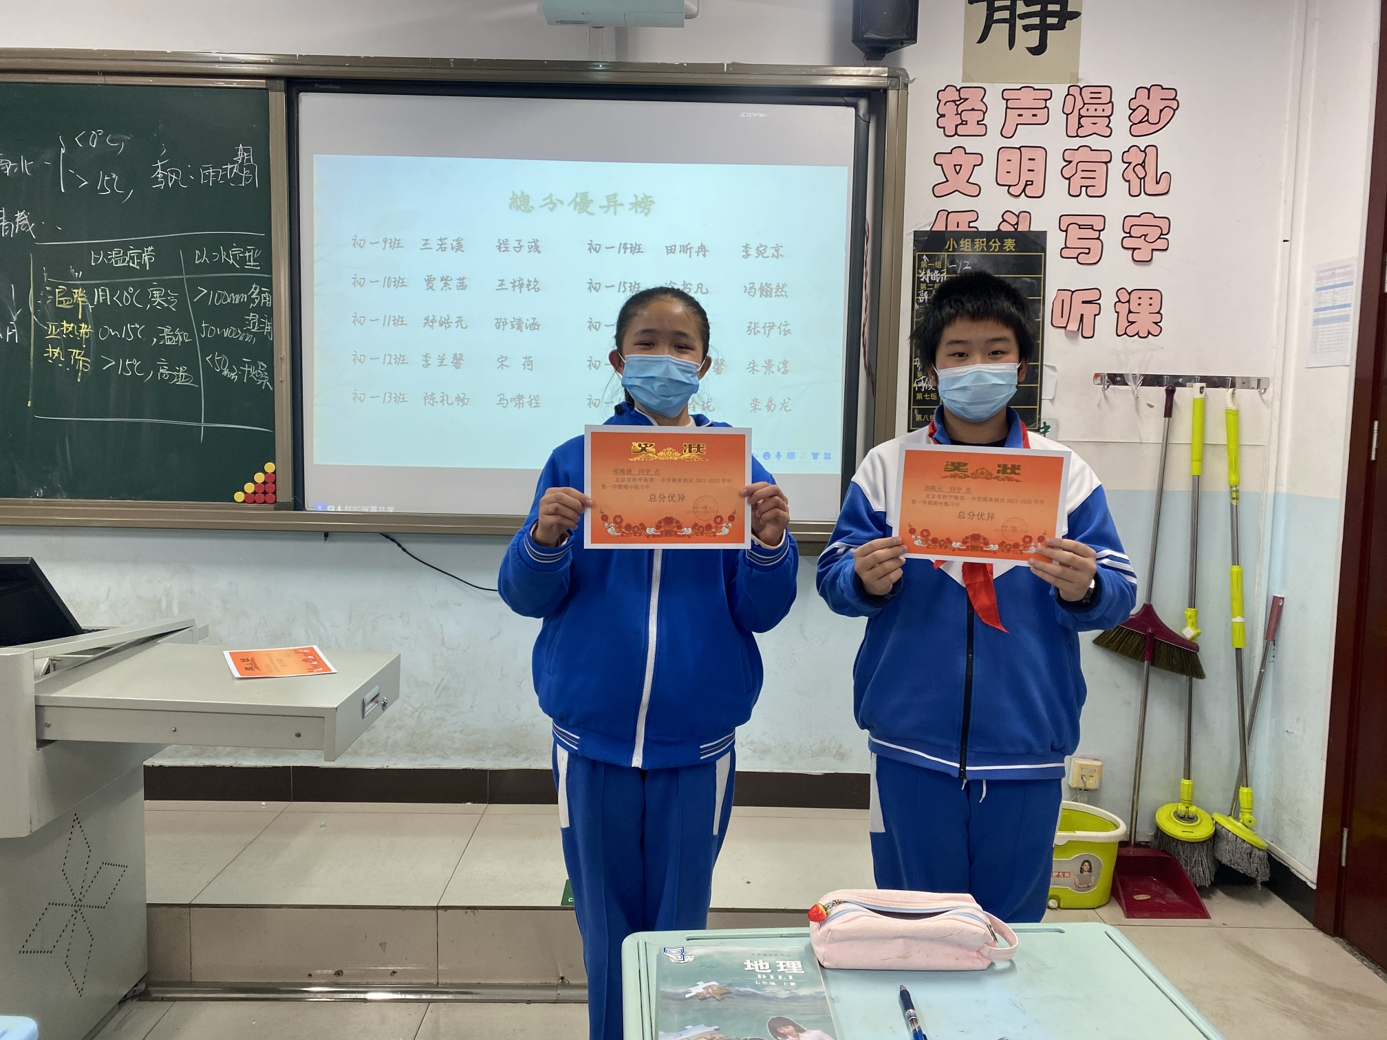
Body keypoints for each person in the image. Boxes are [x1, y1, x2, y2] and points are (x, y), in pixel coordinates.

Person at [499, 287, 799, 1040]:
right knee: (605, 930)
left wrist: (770, 544)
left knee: (679, 932)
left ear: (705, 364)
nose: (664, 358)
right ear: (617, 359)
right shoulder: (575, 462)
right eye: (647, 342)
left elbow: (760, 611)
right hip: (590, 742)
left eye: (680, 345)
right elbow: (526, 595)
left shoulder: (737, 470)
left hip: (696, 744)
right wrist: (543, 538)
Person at [815, 270, 1136, 923]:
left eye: (995, 351)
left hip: (1027, 746)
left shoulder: (1066, 474)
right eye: (958, 353)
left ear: (1020, 365)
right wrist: (861, 579)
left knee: (1011, 935)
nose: (976, 368)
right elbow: (833, 578)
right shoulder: (887, 467)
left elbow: (1118, 592)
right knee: (915, 925)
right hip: (909, 742)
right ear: (932, 370)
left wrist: (1088, 587)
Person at [768, 1017, 835, 1040]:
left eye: (787, 1027)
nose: (786, 1030)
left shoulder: (816, 1033)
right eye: (780, 1030)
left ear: (793, 1025)